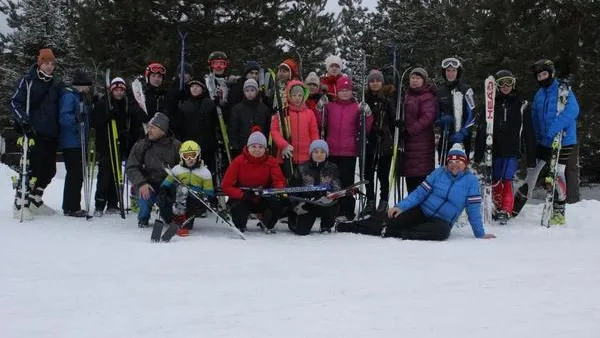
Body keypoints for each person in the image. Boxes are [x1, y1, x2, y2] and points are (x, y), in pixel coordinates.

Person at [336, 144, 496, 241]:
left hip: (441, 221)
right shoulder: (438, 173)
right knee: (391, 218)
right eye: (451, 162)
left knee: (442, 233)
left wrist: (480, 233)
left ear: (465, 164)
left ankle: (399, 233)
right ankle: (350, 227)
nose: (454, 165)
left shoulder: (471, 182)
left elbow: (473, 210)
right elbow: (420, 193)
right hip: (422, 211)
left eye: (458, 162)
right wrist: (400, 207)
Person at [516, 59, 579, 225]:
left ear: (551, 74)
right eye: (539, 76)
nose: (542, 78)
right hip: (544, 141)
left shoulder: (563, 90)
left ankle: (559, 211)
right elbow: (536, 119)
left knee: (557, 172)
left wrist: (552, 132)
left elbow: (572, 111)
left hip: (563, 140)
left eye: (544, 74)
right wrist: (537, 140)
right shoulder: (539, 95)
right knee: (533, 171)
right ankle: (516, 205)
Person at [10, 48, 62, 219]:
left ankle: (34, 199)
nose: (49, 67)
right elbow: (14, 102)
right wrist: (23, 120)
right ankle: (20, 202)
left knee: (49, 170)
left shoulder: (54, 84)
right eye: (46, 63)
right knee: (32, 168)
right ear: (40, 63)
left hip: (51, 132)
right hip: (34, 131)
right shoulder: (28, 80)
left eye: (52, 64)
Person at [474, 69, 526, 223]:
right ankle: (496, 206)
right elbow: (483, 129)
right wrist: (479, 152)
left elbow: (528, 130)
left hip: (511, 149)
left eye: (509, 82)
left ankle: (506, 209)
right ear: (496, 85)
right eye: (501, 83)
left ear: (514, 83)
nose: (505, 86)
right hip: (495, 148)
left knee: (507, 179)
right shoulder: (491, 105)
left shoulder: (520, 104)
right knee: (495, 178)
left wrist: (528, 151)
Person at [322, 76, 373, 220]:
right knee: (331, 181)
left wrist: (367, 114)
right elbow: (321, 122)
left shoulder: (356, 107)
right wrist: (321, 108)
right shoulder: (330, 106)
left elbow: (365, 128)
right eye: (342, 90)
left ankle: (347, 210)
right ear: (337, 91)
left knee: (347, 181)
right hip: (331, 149)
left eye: (348, 90)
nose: (345, 93)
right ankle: (332, 209)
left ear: (352, 92)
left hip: (348, 151)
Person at [221, 128, 286, 233]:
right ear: (248, 147)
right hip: (244, 198)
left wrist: (277, 191)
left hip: (263, 197)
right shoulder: (238, 161)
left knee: (278, 202)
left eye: (260, 147)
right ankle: (240, 224)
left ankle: (267, 222)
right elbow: (226, 186)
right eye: (253, 146)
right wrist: (242, 194)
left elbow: (279, 180)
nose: (257, 150)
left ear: (265, 149)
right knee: (238, 207)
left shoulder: (271, 162)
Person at [92, 77, 137, 217]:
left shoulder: (126, 104)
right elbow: (95, 122)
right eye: (116, 90)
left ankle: (113, 203)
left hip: (119, 144)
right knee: (104, 174)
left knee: (116, 175)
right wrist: (107, 116)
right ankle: (99, 204)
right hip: (106, 145)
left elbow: (127, 122)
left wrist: (126, 134)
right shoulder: (104, 104)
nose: (119, 93)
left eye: (121, 90)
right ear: (111, 91)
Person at [126, 112, 180, 227]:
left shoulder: (176, 146)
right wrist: (141, 183)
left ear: (163, 130)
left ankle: (172, 217)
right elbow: (131, 167)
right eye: (149, 127)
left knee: (173, 208)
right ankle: (143, 219)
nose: (149, 130)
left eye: (153, 128)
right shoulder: (141, 145)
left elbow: (183, 167)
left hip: (169, 185)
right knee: (145, 195)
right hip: (148, 184)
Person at [156, 140, 214, 237]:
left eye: (193, 155)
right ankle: (176, 219)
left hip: (194, 199)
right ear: (182, 157)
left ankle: (183, 221)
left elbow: (209, 192)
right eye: (186, 156)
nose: (190, 159)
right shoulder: (177, 169)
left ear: (198, 155)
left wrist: (205, 201)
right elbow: (166, 184)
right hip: (177, 197)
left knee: (189, 225)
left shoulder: (205, 172)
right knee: (182, 189)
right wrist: (163, 192)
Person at [58, 70, 94, 217]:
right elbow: (64, 117)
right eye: (87, 85)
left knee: (77, 174)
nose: (89, 88)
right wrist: (76, 119)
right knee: (75, 173)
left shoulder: (79, 97)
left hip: (79, 141)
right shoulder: (69, 96)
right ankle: (71, 207)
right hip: (71, 142)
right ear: (81, 84)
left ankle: (71, 205)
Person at [361, 69, 396, 215]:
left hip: (384, 143)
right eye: (372, 81)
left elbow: (393, 120)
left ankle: (384, 201)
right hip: (369, 141)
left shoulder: (387, 100)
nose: (375, 84)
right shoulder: (364, 99)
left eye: (377, 81)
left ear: (382, 82)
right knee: (368, 174)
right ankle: (369, 201)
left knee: (383, 174)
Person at [288, 140, 342, 235]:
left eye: (322, 152)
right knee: (301, 231)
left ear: (327, 154)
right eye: (316, 151)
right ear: (311, 153)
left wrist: (330, 195)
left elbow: (337, 186)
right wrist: (295, 207)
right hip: (307, 203)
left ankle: (326, 225)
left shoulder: (332, 168)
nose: (319, 154)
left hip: (324, 202)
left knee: (333, 205)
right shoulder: (302, 168)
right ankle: (293, 219)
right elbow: (292, 189)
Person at [270, 80, 319, 176]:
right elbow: (274, 130)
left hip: (305, 157)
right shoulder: (282, 113)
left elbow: (314, 133)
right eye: (294, 95)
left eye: (300, 95)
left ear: (304, 96)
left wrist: (315, 149)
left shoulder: (309, 113)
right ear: (289, 96)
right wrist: (283, 145)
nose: (297, 98)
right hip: (286, 155)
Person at [400, 68, 437, 193]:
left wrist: (409, 130)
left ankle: (420, 210)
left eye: (418, 78)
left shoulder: (427, 96)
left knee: (420, 181)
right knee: (410, 179)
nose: (414, 81)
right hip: (407, 144)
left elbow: (427, 117)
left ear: (424, 80)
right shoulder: (405, 95)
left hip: (421, 144)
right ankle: (411, 209)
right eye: (412, 78)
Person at [173, 77, 218, 176]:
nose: (194, 88)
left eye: (197, 86)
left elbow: (215, 122)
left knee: (206, 171)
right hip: (189, 144)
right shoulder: (184, 105)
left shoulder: (209, 103)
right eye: (192, 86)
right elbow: (179, 126)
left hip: (207, 144)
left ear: (203, 88)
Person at [436, 57, 475, 161]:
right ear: (444, 72)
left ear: (458, 72)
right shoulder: (440, 92)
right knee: (445, 169)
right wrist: (441, 120)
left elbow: (472, 114)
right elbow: (435, 115)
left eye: (454, 70)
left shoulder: (466, 89)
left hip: (462, 138)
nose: (451, 73)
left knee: (460, 170)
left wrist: (463, 132)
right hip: (446, 137)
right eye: (448, 71)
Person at [229, 78, 271, 157]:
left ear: (257, 91)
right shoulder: (237, 109)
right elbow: (233, 129)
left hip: (260, 147)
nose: (250, 93)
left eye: (252, 90)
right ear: (244, 92)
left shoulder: (264, 108)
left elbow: (267, 128)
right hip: (243, 146)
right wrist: (234, 145)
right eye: (247, 90)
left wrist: (267, 144)